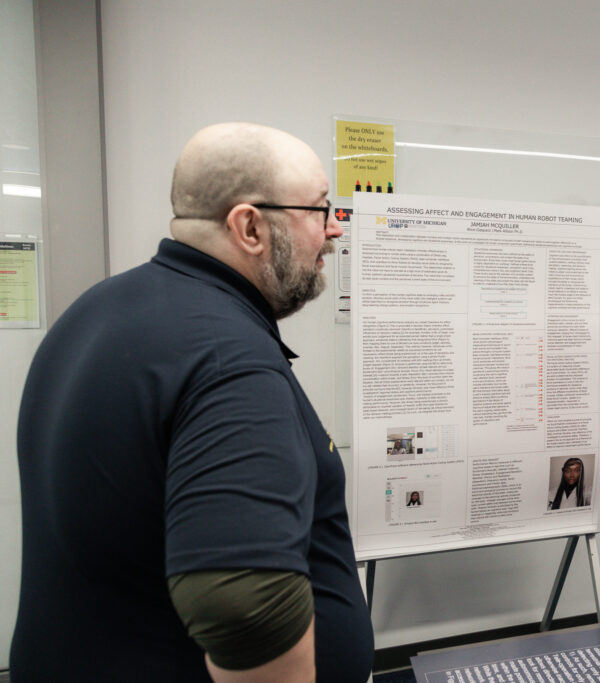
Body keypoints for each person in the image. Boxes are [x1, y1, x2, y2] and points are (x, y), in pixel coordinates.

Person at [12, 123, 373, 682]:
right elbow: (244, 605)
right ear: (250, 226)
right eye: (319, 210)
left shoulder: (96, 311)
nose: (333, 231)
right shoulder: (231, 359)